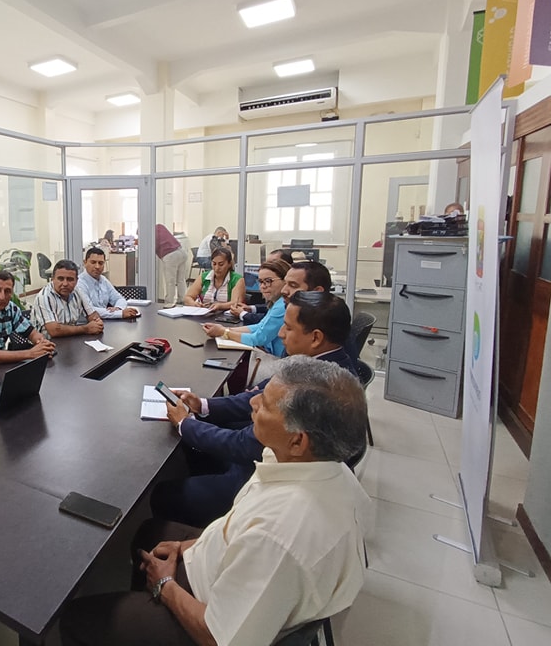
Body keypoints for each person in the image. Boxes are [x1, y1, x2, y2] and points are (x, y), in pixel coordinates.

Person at [61, 356, 371, 646]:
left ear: (298, 440)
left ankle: (147, 611)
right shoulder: (323, 469)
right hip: (223, 567)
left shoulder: (280, 535)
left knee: (76, 619)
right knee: (148, 533)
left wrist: (165, 585)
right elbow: (240, 527)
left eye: (265, 405)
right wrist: (187, 546)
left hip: (208, 621)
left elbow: (218, 637)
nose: (252, 402)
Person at [151, 291, 357, 528]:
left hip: (260, 481)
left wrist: (184, 423)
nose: (281, 333)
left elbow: (243, 444)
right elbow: (252, 398)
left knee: (163, 494)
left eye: (288, 328)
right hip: (267, 461)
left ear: (316, 337)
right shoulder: (319, 365)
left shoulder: (316, 387)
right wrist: (202, 405)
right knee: (200, 437)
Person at [203, 259, 289, 356]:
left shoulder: (282, 306)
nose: (263, 286)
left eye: (268, 281)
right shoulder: (277, 302)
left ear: (285, 280)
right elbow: (259, 326)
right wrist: (225, 329)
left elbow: (258, 338)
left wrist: (224, 332)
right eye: (260, 281)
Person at [0, 270, 55, 364]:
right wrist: (30, 353)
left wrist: (42, 345)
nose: (2, 297)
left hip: (1, 366)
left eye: (7, 291)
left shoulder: (11, 308)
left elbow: (32, 333)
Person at [30, 260, 104, 338]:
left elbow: (93, 315)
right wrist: (86, 329)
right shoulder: (44, 297)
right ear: (53, 279)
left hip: (70, 339)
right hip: (46, 343)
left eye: (70, 279)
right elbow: (54, 330)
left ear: (77, 281)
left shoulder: (77, 291)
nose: (65, 284)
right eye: (60, 279)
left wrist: (97, 323)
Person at [76, 248, 139, 320]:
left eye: (100, 263)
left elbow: (119, 298)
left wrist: (118, 308)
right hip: (86, 324)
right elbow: (90, 310)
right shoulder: (79, 283)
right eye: (93, 262)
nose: (97, 266)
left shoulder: (103, 280)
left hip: (105, 322)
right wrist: (120, 313)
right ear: (85, 263)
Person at [183, 247, 244, 313]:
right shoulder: (204, 277)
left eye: (221, 264)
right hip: (204, 314)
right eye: (214, 264)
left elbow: (236, 303)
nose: (217, 268)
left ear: (229, 264)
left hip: (226, 316)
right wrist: (194, 304)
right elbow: (188, 297)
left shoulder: (237, 279)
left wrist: (220, 306)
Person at [155, 224, 188, 308]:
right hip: (181, 251)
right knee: (181, 279)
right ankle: (182, 299)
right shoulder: (159, 226)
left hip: (170, 255)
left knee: (170, 281)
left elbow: (151, 248)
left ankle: (169, 302)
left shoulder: (150, 234)